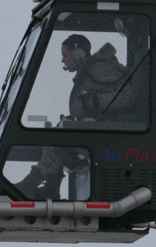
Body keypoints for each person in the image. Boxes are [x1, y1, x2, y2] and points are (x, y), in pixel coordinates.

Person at [17, 34, 145, 198]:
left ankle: (29, 185)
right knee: (53, 135)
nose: (63, 60)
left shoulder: (101, 69)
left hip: (108, 135)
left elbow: (128, 97)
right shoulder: (89, 72)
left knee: (60, 139)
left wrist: (95, 101)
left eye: (65, 55)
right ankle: (51, 188)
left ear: (78, 53)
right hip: (97, 132)